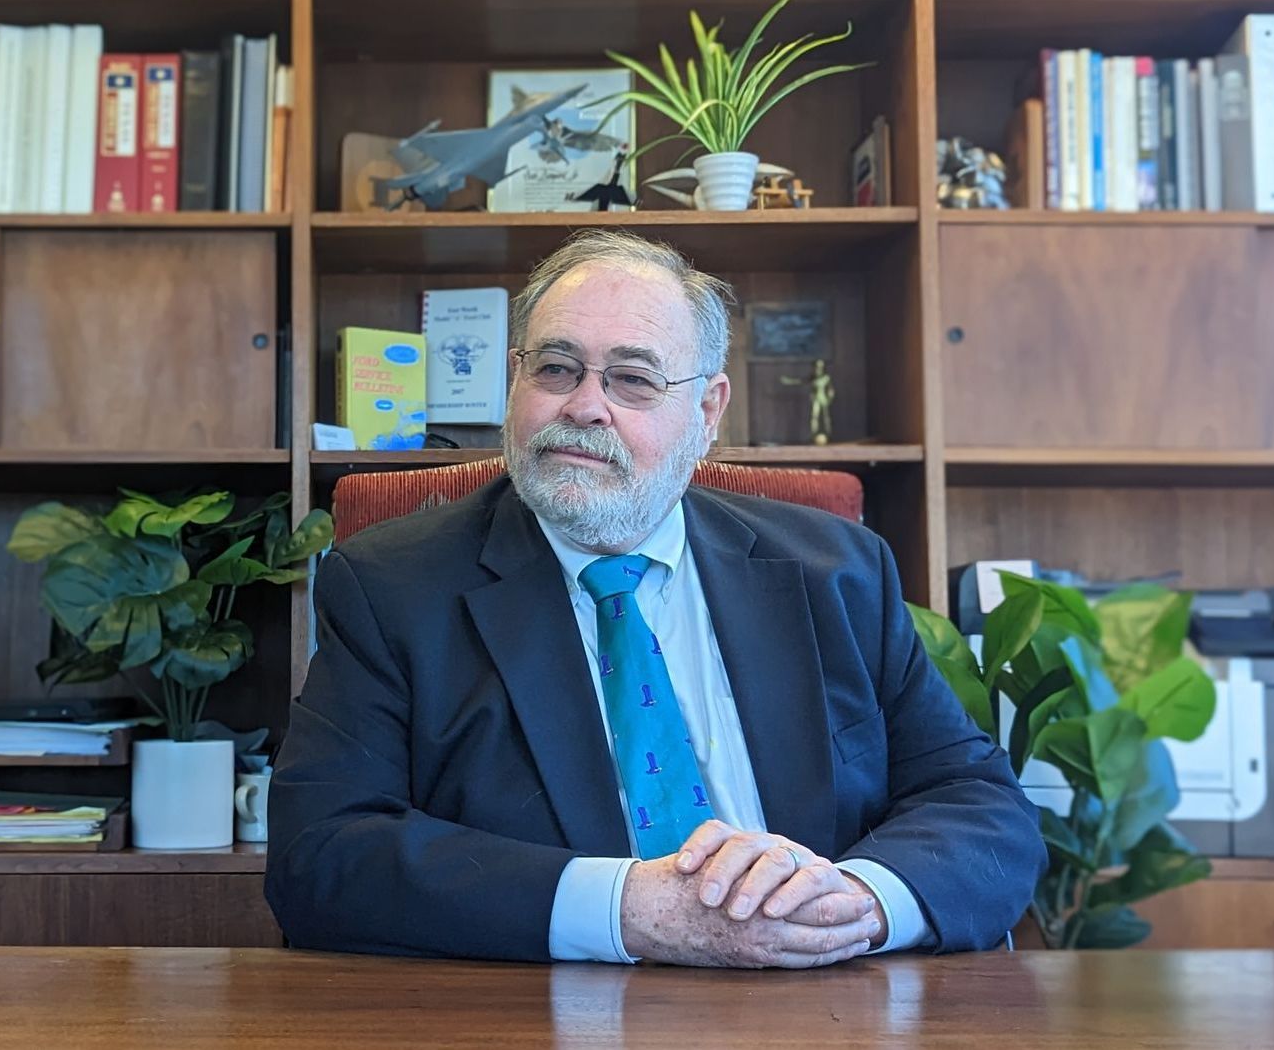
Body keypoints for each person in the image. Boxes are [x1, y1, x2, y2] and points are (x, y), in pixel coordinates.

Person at [266, 230, 1045, 967]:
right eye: (556, 367)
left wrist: (857, 902)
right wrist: (625, 908)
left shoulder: (838, 571)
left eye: (633, 378)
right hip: (539, 1020)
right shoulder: (392, 588)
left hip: (823, 1010)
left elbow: (980, 805)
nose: (584, 405)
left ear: (706, 412)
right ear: (516, 380)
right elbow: (321, 855)